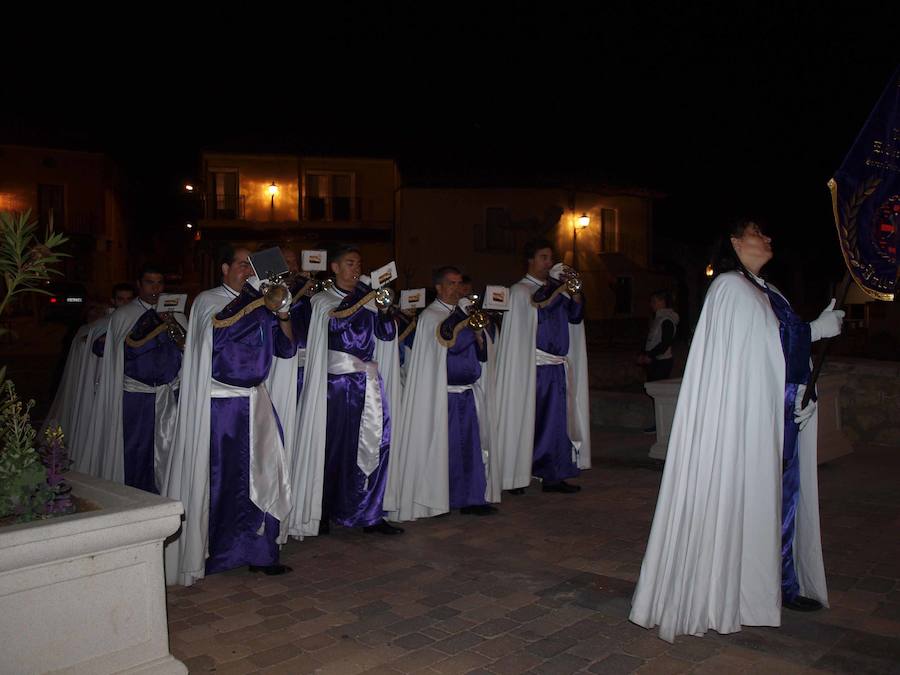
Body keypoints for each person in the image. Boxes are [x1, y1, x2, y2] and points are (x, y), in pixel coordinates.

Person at [630, 217, 844, 642]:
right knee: (751, 498)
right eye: (757, 233)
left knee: (779, 499)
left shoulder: (767, 291)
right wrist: (816, 330)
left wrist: (802, 392)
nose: (767, 237)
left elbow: (775, 352)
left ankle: (779, 584)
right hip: (745, 420)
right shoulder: (730, 288)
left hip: (774, 413)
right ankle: (740, 593)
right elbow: (766, 346)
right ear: (734, 242)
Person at [163, 245, 295, 585]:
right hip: (222, 405)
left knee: (265, 477)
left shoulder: (262, 303)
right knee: (222, 480)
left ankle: (261, 552)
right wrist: (255, 298)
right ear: (224, 268)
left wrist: (283, 314)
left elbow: (286, 349)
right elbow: (221, 336)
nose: (249, 271)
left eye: (252, 266)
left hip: (257, 402)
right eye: (242, 265)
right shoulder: (209, 301)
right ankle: (221, 552)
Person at [287, 245, 403, 537]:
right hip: (337, 387)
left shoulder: (368, 301)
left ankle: (370, 512)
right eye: (350, 263)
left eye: (359, 264)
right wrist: (366, 293)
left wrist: (384, 310)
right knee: (334, 448)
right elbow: (337, 322)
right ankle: (324, 511)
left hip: (368, 385)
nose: (356, 269)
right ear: (335, 268)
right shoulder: (322, 300)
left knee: (374, 446)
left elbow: (387, 334)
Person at [385, 266, 500, 521]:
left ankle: (472, 498)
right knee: (444, 449)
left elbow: (482, 354)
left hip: (467, 393)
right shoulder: (431, 316)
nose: (457, 289)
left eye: (460, 284)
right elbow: (452, 344)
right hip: (442, 395)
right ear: (438, 287)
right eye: (451, 283)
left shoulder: (465, 314)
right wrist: (465, 321)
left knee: (471, 449)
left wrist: (480, 334)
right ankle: (439, 499)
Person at [492, 239, 591, 495]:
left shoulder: (557, 290)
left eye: (550, 258)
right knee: (527, 420)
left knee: (556, 423)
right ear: (531, 260)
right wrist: (556, 289)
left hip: (556, 367)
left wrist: (574, 292)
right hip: (532, 368)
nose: (549, 263)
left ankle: (553, 475)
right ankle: (516, 473)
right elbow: (528, 320)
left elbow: (575, 317)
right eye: (543, 257)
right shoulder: (520, 291)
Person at [82, 265, 184, 490]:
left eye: (159, 283)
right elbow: (111, 349)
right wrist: (153, 322)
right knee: (135, 449)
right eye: (149, 282)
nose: (155, 288)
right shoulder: (125, 315)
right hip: (137, 396)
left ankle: (166, 494)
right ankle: (134, 496)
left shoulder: (175, 313)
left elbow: (186, 349)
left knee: (169, 450)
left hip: (169, 394)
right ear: (139, 284)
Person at [638, 290, 680, 433]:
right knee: (654, 394)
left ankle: (661, 425)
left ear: (662, 302)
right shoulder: (658, 319)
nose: (651, 305)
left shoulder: (667, 320)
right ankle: (659, 424)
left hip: (662, 362)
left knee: (659, 394)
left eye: (654, 301)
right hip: (655, 361)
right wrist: (643, 354)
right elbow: (651, 340)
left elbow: (665, 343)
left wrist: (650, 355)